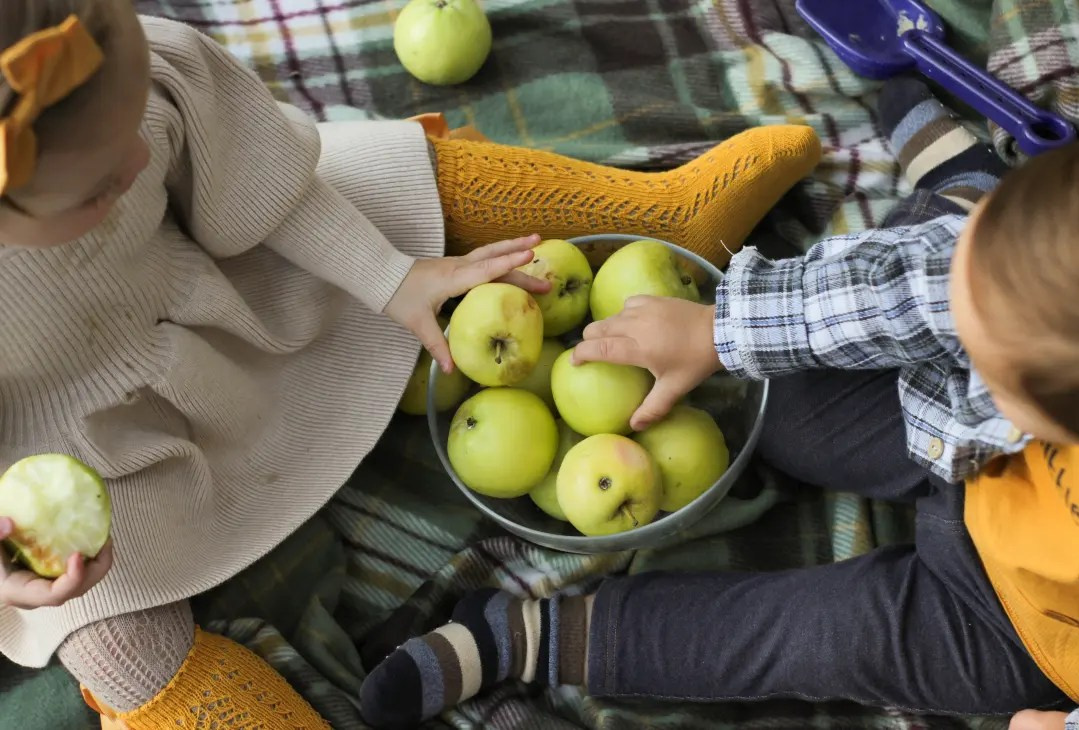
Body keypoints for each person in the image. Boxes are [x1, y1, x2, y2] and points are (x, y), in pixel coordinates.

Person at [0, 0, 821, 726]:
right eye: (101, 186)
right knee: (117, 648)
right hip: (98, 455)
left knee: (381, 178)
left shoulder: (139, 73)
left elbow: (263, 185)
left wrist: (392, 280)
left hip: (225, 286)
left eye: (134, 131)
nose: (138, 164)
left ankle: (659, 217)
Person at [359, 79, 1079, 729]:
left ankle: (525, 637)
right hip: (959, 430)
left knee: (818, 640)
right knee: (792, 400)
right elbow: (918, 294)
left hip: (1017, 621)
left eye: (986, 353)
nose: (958, 324)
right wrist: (723, 330)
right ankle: (966, 198)